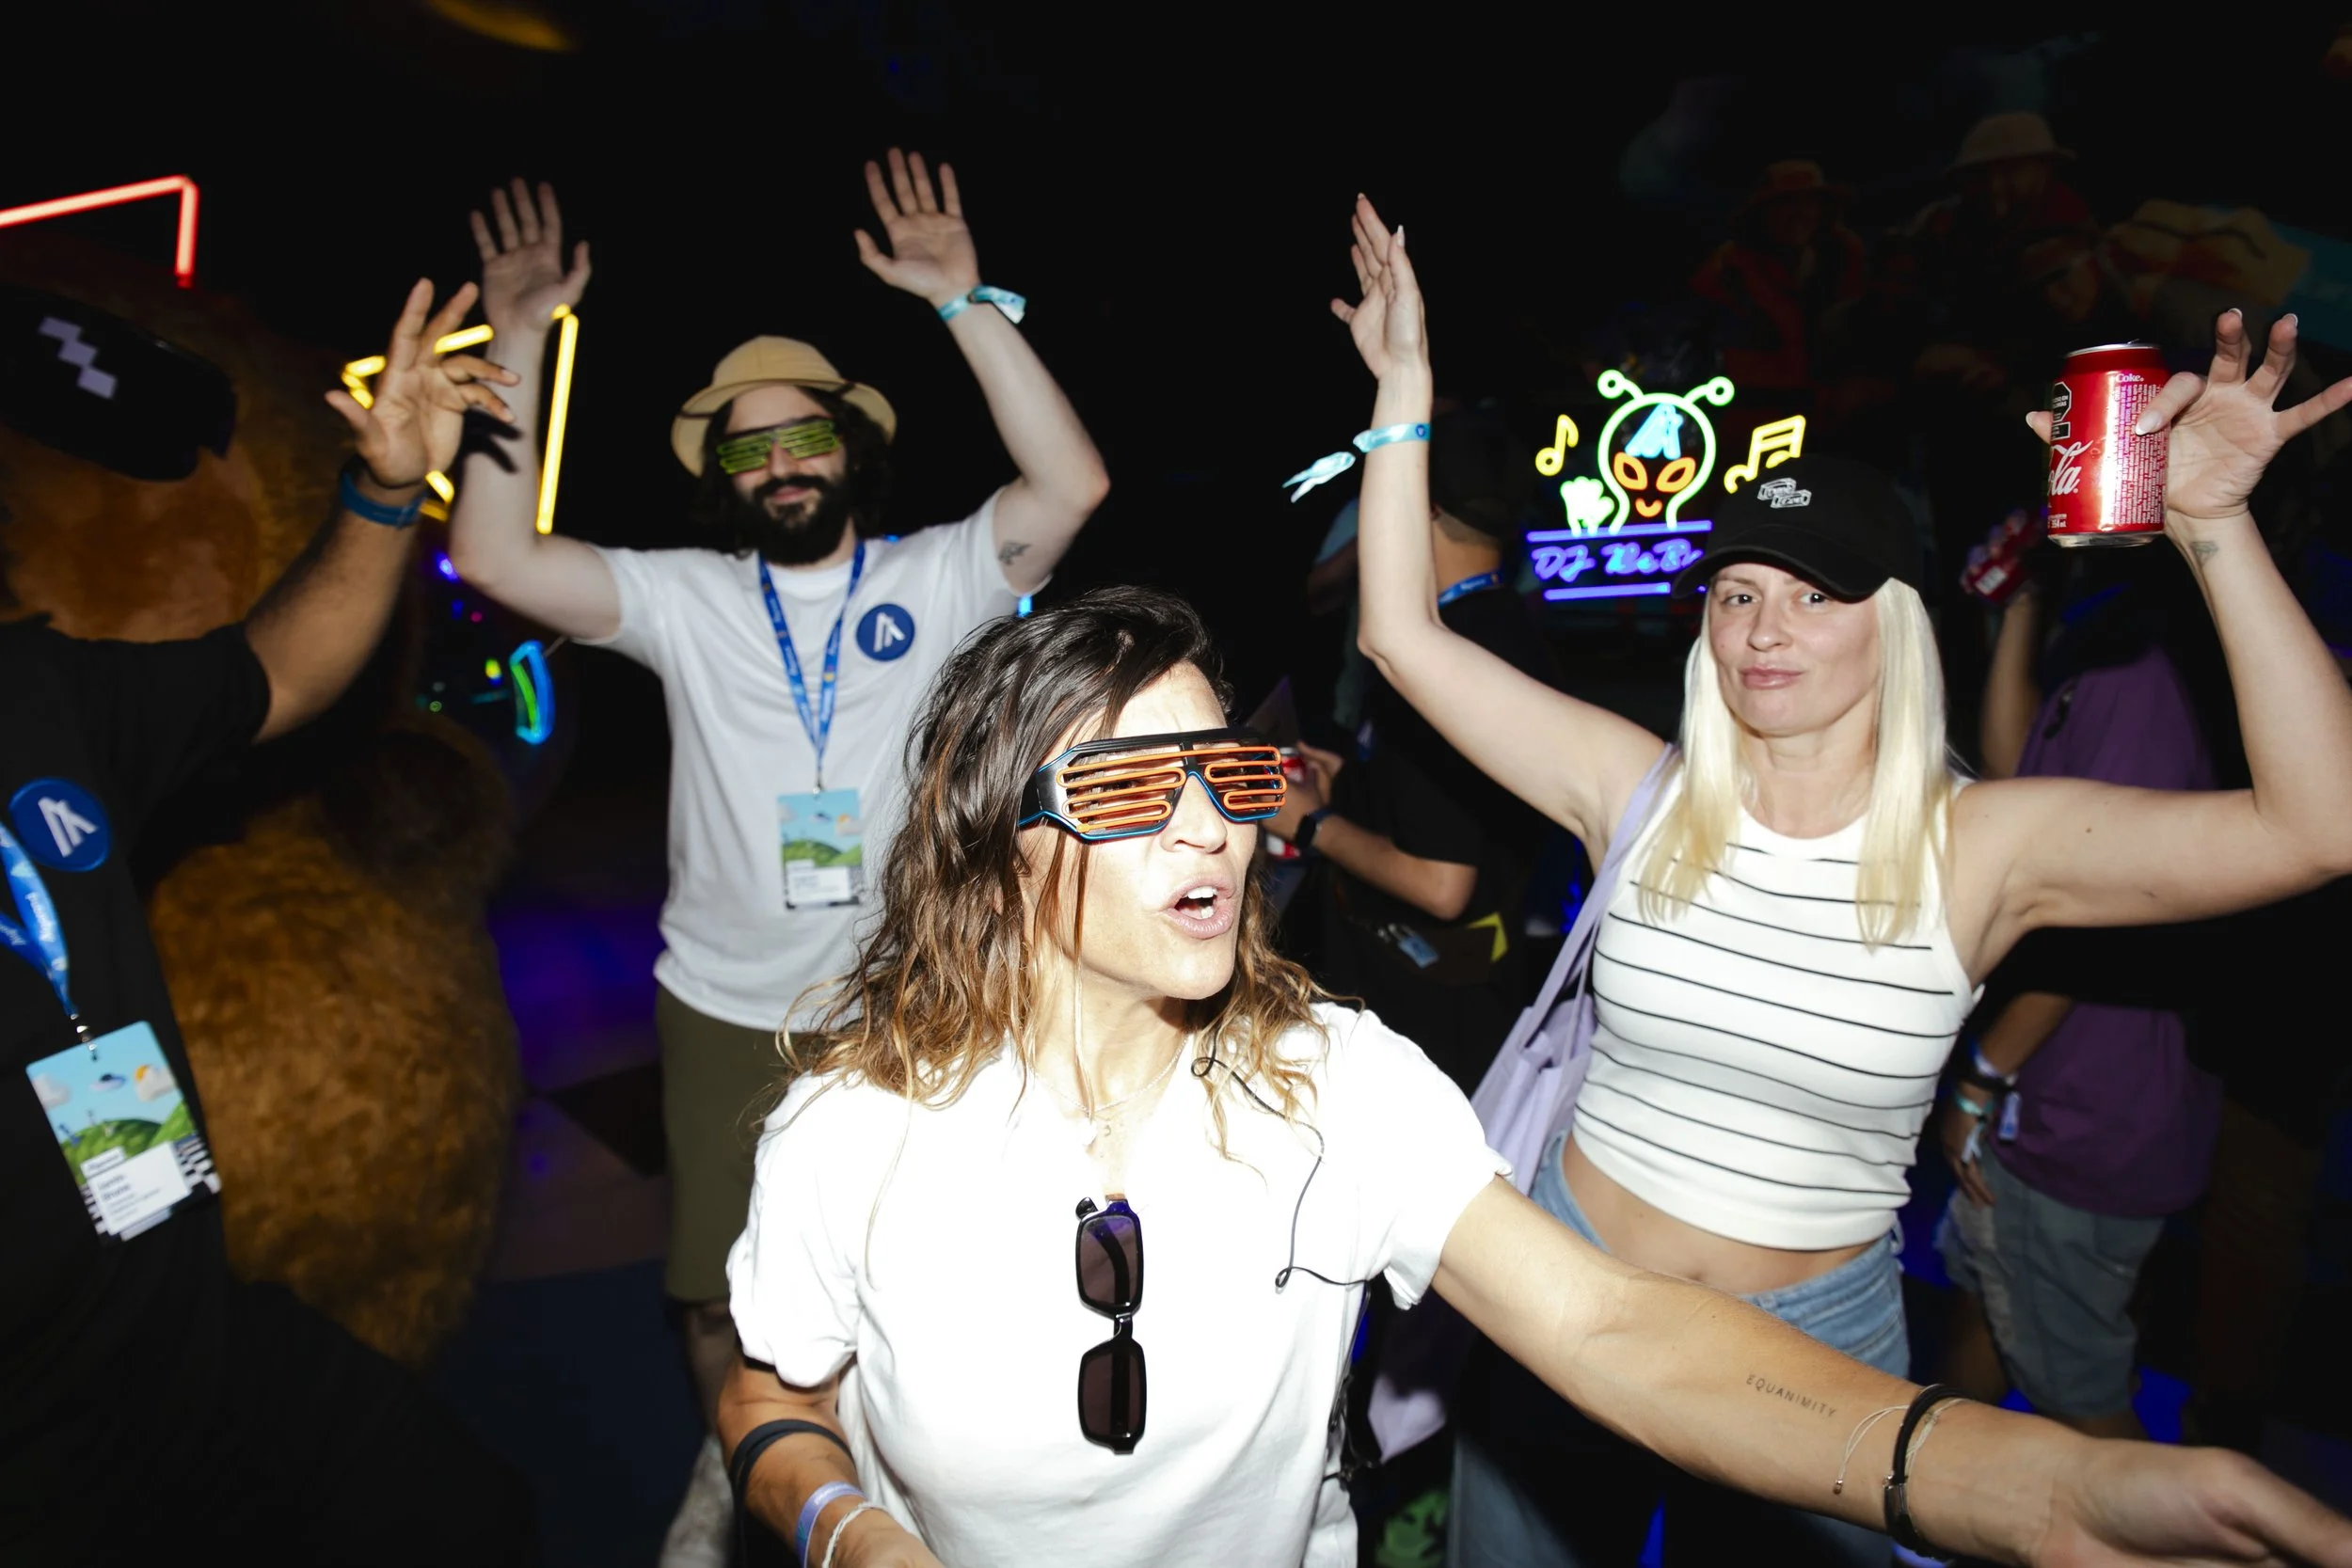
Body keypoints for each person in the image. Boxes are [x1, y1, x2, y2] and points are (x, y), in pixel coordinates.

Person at [713, 582, 2352, 1568]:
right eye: (1138, 788)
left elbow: (1611, 1325)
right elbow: (771, 1392)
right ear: (996, 852)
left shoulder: (1329, 1080)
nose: (1212, 824)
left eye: (1224, 771)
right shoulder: (854, 1130)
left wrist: (2026, 1480)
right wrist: (849, 1531)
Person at [1333, 195, 2352, 1566]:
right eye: (1741, 591)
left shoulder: (1984, 843)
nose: (1768, 628)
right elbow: (1401, 636)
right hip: (1569, 1286)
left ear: (1899, 624)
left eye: (1819, 594)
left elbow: (2319, 822)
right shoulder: (1634, 785)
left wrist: (2214, 530)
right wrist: (1406, 392)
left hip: (1809, 1348)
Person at [442, 157, 1109, 1563]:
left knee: (916, 1280)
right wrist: (512, 336)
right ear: (718, 477)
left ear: (851, 448)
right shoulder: (681, 598)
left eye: (801, 438)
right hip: (726, 1007)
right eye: (746, 450)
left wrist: (961, 299)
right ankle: (757, 1470)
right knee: (714, 1298)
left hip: (910, 1003)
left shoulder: (941, 573)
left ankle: (891, 1484)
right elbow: (493, 555)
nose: (778, 465)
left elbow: (1072, 480)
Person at [3, 282, 535, 1560]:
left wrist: (385, 493)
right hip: (28, 1447)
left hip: (190, 1341)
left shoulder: (37, 683)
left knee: (476, 1517)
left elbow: (282, 669)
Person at [1935, 554, 2223, 1440]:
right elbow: (2018, 776)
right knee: (1994, 1304)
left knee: (2078, 1392)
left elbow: (2094, 907)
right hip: (2079, 1086)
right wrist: (2017, 605)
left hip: (2084, 1105)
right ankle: (1921, 1514)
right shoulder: (2109, 639)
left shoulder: (2141, 674)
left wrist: (1983, 1075)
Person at [1269, 408, 1562, 1092]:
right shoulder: (1506, 627)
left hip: (1425, 1011)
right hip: (1484, 985)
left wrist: (1310, 823)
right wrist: (1352, 782)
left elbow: (1442, 882)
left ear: (1416, 506)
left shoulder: (1443, 665)